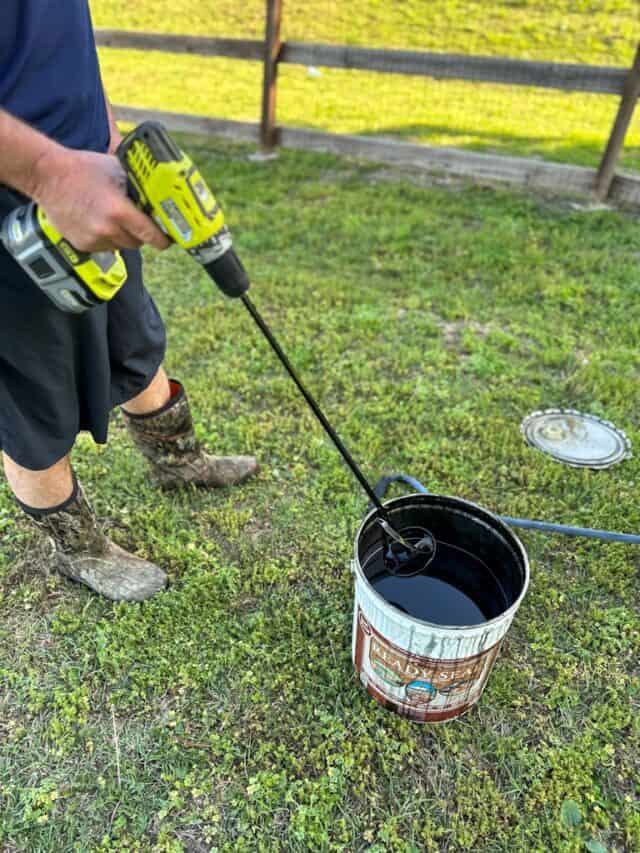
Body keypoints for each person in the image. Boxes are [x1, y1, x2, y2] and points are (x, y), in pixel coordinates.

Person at [0, 1, 258, 602]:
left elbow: (58, 45)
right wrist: (50, 176)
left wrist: (109, 136)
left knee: (132, 334)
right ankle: (80, 549)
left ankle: (178, 463)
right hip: (26, 200)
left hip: (88, 175)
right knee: (30, 392)